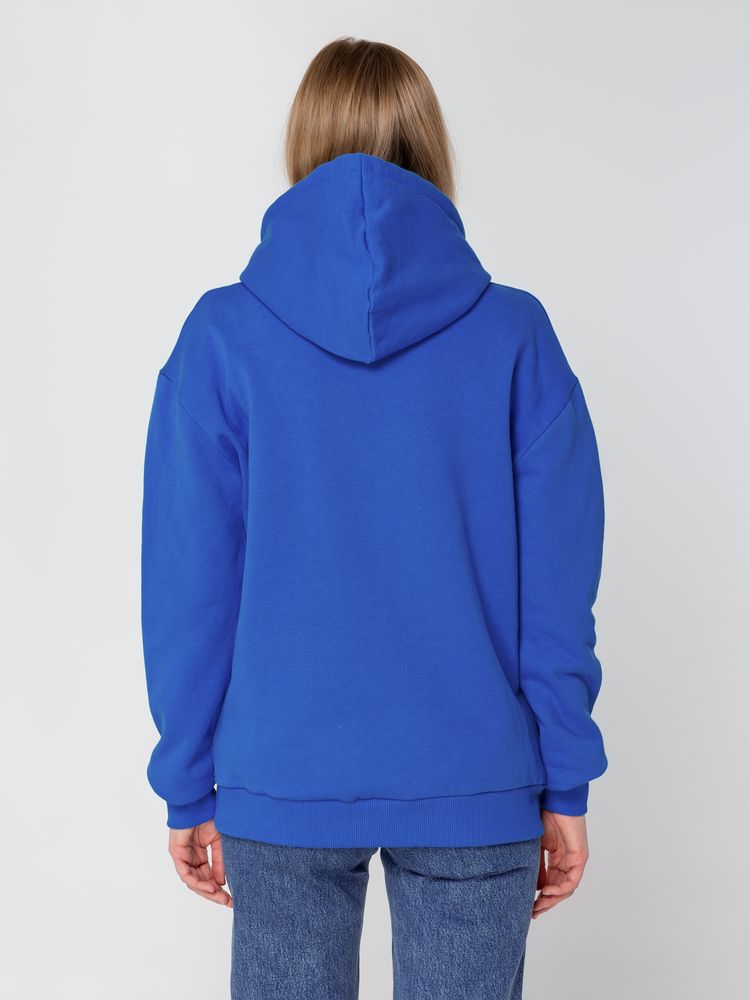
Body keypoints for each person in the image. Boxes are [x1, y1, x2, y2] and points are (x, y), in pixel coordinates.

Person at [141, 36, 608, 1000]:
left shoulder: (222, 337)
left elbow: (187, 586)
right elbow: (559, 589)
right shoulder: (515, 334)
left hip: (283, 773)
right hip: (475, 775)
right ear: (431, 146)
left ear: (302, 143)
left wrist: (188, 778)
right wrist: (564, 777)